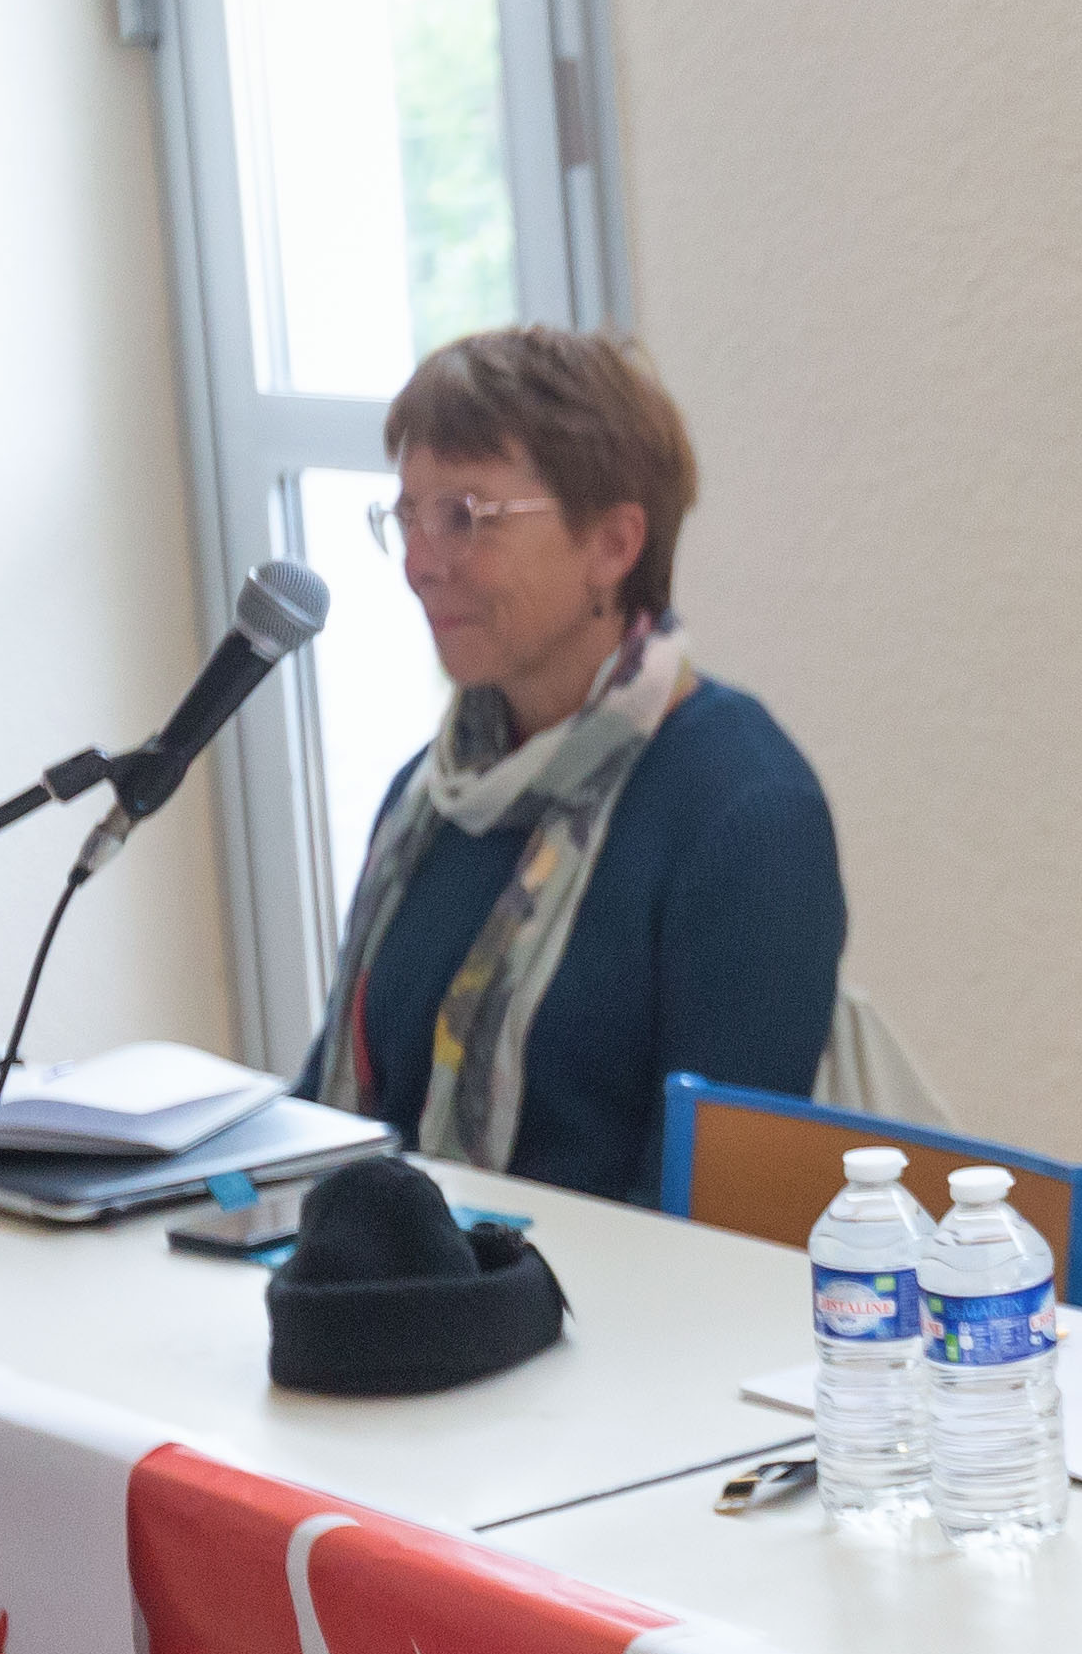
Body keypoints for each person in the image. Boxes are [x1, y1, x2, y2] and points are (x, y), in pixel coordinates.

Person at [304, 326, 842, 1211]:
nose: (419, 565)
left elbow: (717, 1222)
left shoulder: (746, 815)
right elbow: (334, 1113)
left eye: (464, 517)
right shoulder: (430, 797)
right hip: (399, 1281)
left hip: (605, 1297)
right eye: (406, 517)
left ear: (613, 545)